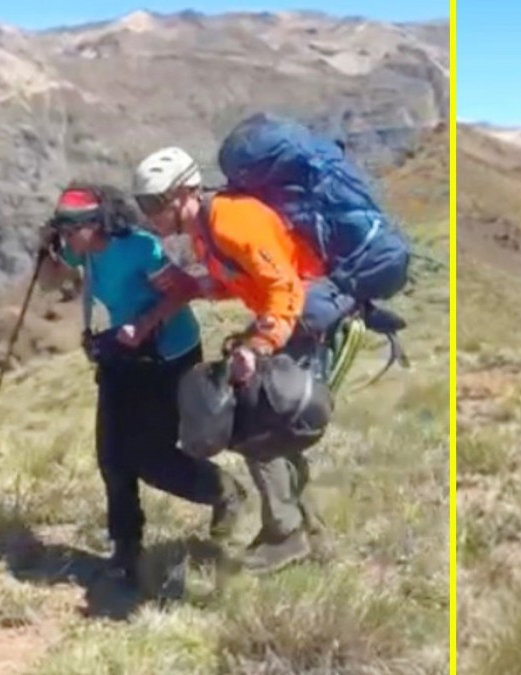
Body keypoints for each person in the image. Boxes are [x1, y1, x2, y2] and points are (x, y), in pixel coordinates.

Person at [34, 182, 251, 584]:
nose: (68, 236)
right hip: (121, 356)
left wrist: (145, 323)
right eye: (63, 228)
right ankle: (126, 547)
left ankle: (224, 491)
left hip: (168, 355)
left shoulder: (139, 248)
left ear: (97, 223)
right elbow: (50, 281)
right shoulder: (79, 249)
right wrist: (45, 248)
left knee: (151, 455)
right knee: (112, 455)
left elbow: (181, 291)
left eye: (73, 228)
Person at [128, 146, 326, 574]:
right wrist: (197, 287)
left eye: (154, 204)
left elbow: (286, 288)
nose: (150, 215)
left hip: (311, 317)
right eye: (143, 205)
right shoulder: (205, 232)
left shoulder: (232, 221)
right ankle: (307, 533)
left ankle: (286, 535)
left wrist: (258, 347)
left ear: (185, 192)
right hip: (292, 319)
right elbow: (238, 279)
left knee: (261, 422)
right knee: (276, 427)